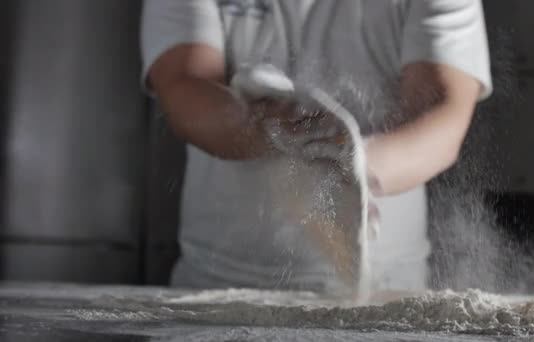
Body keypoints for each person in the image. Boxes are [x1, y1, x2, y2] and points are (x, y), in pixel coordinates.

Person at [141, 0, 492, 292]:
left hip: (383, 290)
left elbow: (444, 116)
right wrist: (266, 126)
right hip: (219, 285)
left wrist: (353, 165)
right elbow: (184, 85)